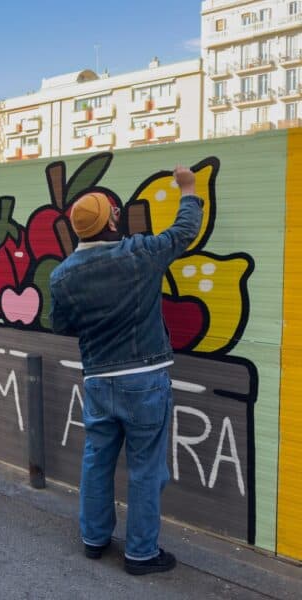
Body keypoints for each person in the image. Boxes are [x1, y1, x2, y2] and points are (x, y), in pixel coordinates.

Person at [49, 166, 203, 576]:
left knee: (96, 461)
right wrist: (187, 188)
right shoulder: (140, 254)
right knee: (146, 469)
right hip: (144, 380)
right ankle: (140, 554)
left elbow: (61, 325)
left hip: (98, 380)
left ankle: (94, 540)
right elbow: (184, 230)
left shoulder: (62, 276)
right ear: (111, 221)